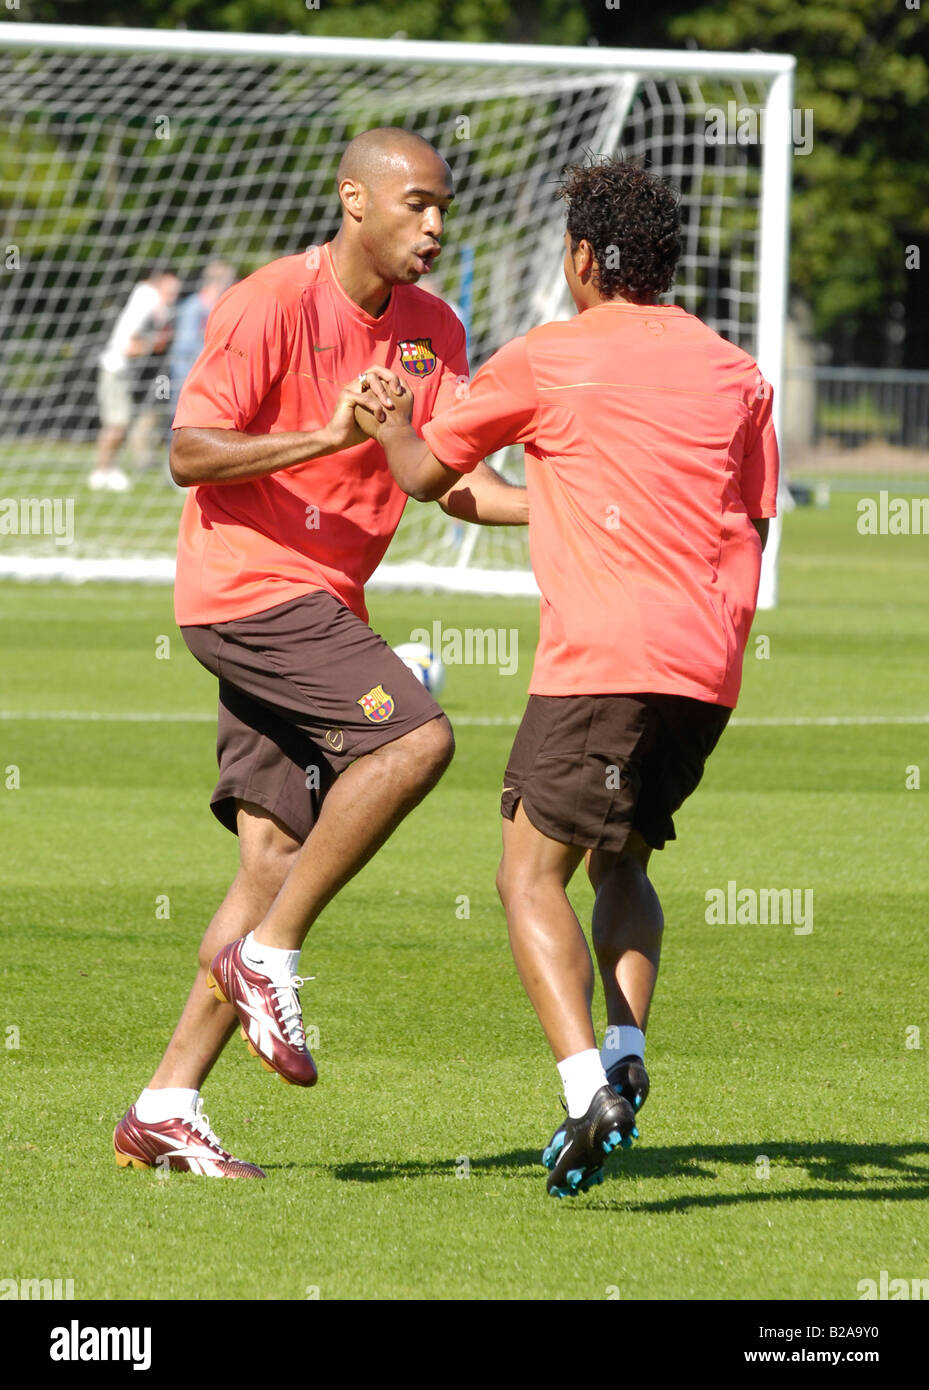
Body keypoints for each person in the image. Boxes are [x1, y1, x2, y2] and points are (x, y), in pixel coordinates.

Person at [349, 157, 779, 1198]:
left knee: (523, 872)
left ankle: (586, 1085)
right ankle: (626, 1052)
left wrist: (390, 417)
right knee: (618, 864)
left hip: (601, 660)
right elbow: (751, 520)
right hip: (706, 671)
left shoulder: (550, 356)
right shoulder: (734, 371)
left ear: (583, 258)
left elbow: (422, 478)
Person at [112, 127, 527, 1179]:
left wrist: (558, 514)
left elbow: (441, 475)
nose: (434, 228)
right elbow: (186, 453)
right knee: (415, 742)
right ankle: (269, 959)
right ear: (355, 199)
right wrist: (329, 434)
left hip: (319, 603)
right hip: (248, 591)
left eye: (444, 209)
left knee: (269, 860)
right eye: (416, 206)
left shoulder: (435, 329)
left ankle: (165, 1103)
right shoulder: (267, 303)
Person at [91, 270, 180, 491]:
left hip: (125, 374)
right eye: (168, 292)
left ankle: (107, 469)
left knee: (120, 423)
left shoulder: (152, 304)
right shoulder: (146, 303)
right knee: (116, 424)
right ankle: (102, 471)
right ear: (157, 288)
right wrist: (154, 344)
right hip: (116, 370)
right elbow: (129, 348)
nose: (172, 297)